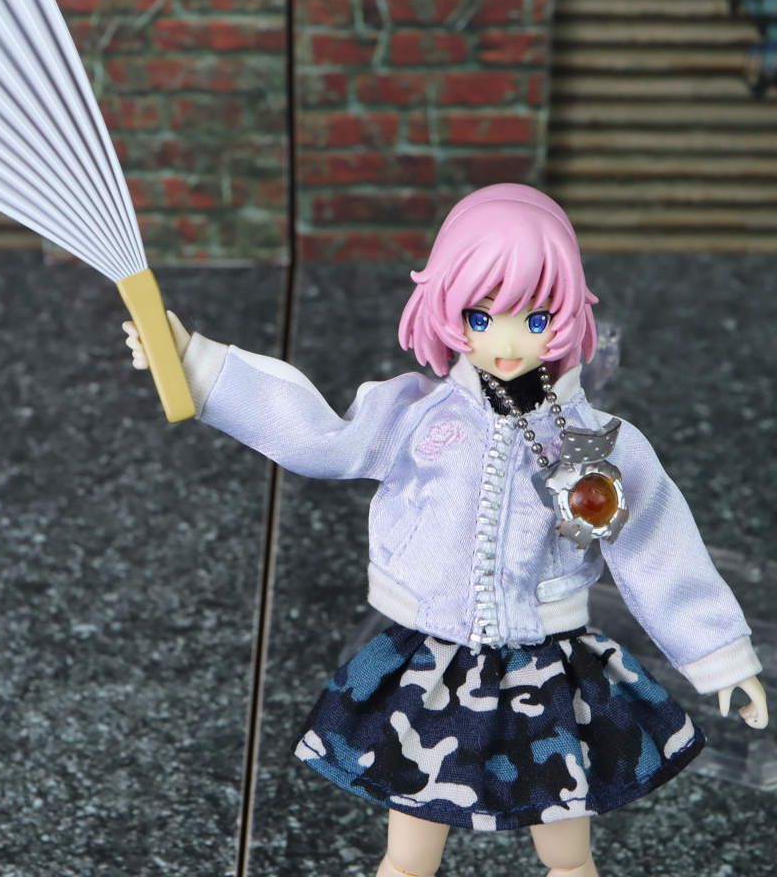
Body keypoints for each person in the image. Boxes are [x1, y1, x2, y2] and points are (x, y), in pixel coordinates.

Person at [124, 184, 767, 877]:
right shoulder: (419, 414)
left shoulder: (596, 440)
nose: (508, 342)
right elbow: (319, 439)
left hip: (549, 662)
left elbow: (656, 540)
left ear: (568, 315)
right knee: (409, 851)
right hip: (431, 660)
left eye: (537, 317)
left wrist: (719, 653)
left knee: (566, 850)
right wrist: (196, 364)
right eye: (481, 317)